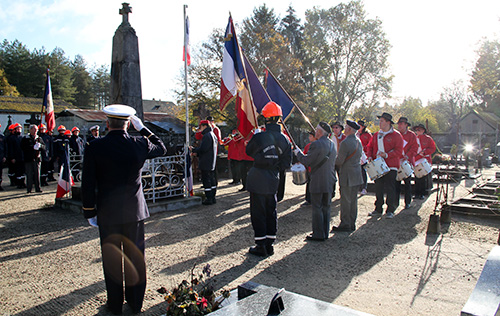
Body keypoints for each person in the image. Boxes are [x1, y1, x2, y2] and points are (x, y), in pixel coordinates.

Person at [81, 104, 166, 315]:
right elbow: (161, 147)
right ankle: (136, 302)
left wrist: (89, 211)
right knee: (135, 257)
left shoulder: (95, 146)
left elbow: (88, 182)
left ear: (107, 123)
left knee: (112, 259)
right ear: (128, 123)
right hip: (133, 211)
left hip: (108, 211)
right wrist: (143, 128)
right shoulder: (139, 143)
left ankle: (115, 304)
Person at [246, 102, 292, 255]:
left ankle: (260, 245)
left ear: (266, 119)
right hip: (273, 179)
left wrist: (256, 137)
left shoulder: (260, 136)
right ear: (279, 118)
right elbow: (286, 163)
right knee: (271, 211)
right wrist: (273, 165)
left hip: (258, 178)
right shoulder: (285, 140)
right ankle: (270, 244)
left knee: (258, 213)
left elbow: (248, 152)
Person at [295, 122, 336, 241]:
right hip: (329, 179)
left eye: (317, 130)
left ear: (319, 132)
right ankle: (324, 232)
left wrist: (298, 153)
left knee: (317, 207)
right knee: (326, 206)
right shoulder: (332, 144)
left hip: (318, 179)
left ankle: (318, 234)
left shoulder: (316, 144)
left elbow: (307, 161)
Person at [366, 113, 404, 219]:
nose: (380, 123)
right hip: (378, 165)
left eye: (382, 121)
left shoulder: (396, 135)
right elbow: (370, 147)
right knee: (378, 188)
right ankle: (378, 209)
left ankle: (390, 210)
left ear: (388, 122)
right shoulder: (377, 134)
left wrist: (387, 155)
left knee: (390, 188)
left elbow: (399, 151)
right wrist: (369, 156)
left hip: (391, 165)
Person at [332, 120, 363, 233]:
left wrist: (330, 159)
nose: (344, 129)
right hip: (356, 174)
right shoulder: (358, 141)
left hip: (347, 175)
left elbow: (340, 161)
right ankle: (352, 223)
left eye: (345, 127)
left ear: (349, 129)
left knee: (345, 201)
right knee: (353, 201)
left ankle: (345, 224)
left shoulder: (345, 143)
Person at [191, 120, 218, 205]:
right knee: (212, 179)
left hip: (206, 161)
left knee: (206, 180)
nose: (200, 129)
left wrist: (194, 149)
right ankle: (213, 197)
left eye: (200, 127)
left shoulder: (207, 136)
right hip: (211, 161)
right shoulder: (213, 135)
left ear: (205, 126)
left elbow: (204, 149)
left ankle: (209, 198)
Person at [396, 117, 418, 209]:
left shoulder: (412, 135)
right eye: (399, 124)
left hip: (406, 161)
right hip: (396, 161)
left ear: (406, 125)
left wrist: (408, 156)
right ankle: (395, 203)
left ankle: (407, 202)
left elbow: (415, 147)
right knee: (396, 184)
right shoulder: (395, 134)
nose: (400, 125)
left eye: (401, 124)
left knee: (407, 184)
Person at [413, 123, 436, 199]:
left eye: (419, 129)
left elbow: (433, 148)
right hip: (416, 160)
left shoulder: (428, 139)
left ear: (423, 130)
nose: (417, 131)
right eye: (416, 130)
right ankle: (416, 193)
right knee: (416, 177)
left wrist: (425, 152)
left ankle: (422, 193)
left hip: (424, 160)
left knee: (423, 177)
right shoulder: (414, 139)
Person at [20, 125, 45, 193]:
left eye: (36, 130)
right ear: (30, 130)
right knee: (29, 174)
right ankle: (29, 189)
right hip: (28, 159)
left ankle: (38, 188)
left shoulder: (39, 138)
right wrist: (32, 147)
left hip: (37, 159)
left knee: (37, 174)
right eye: (34, 130)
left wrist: (40, 146)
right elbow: (23, 147)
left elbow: (44, 147)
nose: (35, 131)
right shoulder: (25, 138)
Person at [6, 123, 25, 188]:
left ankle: (22, 182)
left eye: (20, 129)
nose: (19, 130)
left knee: (22, 171)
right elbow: (10, 149)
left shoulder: (22, 137)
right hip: (16, 157)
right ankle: (18, 183)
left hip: (22, 157)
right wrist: (12, 157)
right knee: (18, 171)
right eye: (17, 129)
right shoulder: (12, 138)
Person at [357, 120, 372, 195]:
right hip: (357, 156)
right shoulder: (356, 134)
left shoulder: (367, 134)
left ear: (363, 127)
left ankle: (364, 187)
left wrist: (366, 150)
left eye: (360, 126)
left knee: (363, 172)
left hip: (364, 156)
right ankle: (358, 187)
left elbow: (370, 144)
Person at [302, 131, 317, 205]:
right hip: (308, 168)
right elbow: (304, 155)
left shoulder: (317, 145)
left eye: (311, 136)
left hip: (314, 168)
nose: (309, 137)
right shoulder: (307, 146)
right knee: (309, 184)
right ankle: (308, 199)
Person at [0, 124, 5, 191]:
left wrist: (4, 156)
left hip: (0, 157)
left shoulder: (2, 137)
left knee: (0, 173)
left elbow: (4, 147)